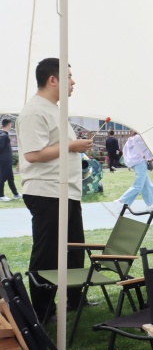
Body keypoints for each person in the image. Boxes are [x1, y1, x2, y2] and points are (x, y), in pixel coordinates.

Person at [16, 58, 93, 320]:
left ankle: (75, 298)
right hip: (47, 191)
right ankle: (42, 311)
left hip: (66, 191)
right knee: (47, 254)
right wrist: (71, 146)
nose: (73, 81)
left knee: (74, 249)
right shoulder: (34, 111)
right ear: (53, 80)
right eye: (68, 76)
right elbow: (33, 154)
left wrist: (74, 146)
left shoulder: (53, 109)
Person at [115, 131, 153, 211]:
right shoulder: (142, 138)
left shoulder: (131, 140)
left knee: (146, 184)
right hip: (141, 162)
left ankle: (149, 204)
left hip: (135, 163)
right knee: (138, 186)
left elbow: (125, 151)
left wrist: (129, 163)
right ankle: (121, 201)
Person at [0, 118, 21, 201]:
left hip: (7, 160)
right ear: (9, 125)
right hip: (4, 160)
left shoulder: (4, 134)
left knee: (10, 178)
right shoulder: (3, 135)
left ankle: (16, 194)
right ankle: (1, 196)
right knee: (2, 177)